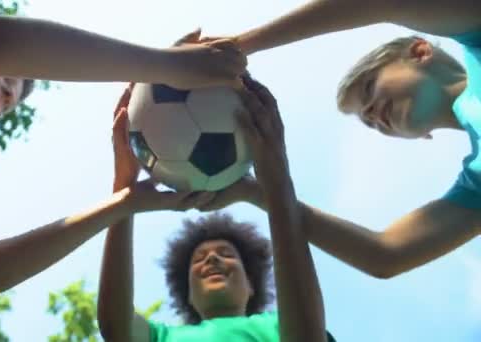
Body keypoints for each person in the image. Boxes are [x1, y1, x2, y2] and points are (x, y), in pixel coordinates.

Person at [0, 0, 246, 294]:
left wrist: (124, 202)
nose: (6, 93)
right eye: (7, 76)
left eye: (9, 104)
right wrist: (164, 66)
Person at [196, 0, 481, 279]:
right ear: (421, 136)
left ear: (419, 52)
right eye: (370, 124)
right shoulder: (476, 184)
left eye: (370, 88)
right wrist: (257, 192)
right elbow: (386, 254)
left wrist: (236, 48)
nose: (372, 114)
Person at [96, 77, 337, 341]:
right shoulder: (162, 335)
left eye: (226, 253)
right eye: (199, 259)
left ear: (251, 285)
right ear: (187, 293)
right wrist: (124, 190)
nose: (212, 259)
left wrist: (277, 185)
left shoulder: (276, 326)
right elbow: (115, 328)